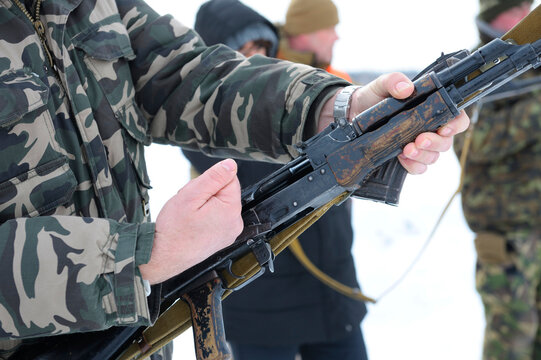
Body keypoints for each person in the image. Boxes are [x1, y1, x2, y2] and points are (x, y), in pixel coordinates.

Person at [0, 0, 468, 359]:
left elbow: (191, 76)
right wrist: (134, 255)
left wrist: (338, 111)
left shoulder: (92, 5)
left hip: (136, 342)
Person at [182, 1, 369, 359]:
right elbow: (262, 176)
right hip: (262, 309)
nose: (254, 63)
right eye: (242, 51)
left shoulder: (289, 104)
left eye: (262, 50)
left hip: (332, 291)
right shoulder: (201, 126)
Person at [453, 1, 541, 359]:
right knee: (511, 344)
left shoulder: (534, 61)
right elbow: (473, 142)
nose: (529, 15)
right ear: (497, 15)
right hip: (506, 237)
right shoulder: (475, 69)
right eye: (520, 8)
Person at [277, 0, 353, 82]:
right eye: (330, 29)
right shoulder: (268, 75)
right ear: (305, 30)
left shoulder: (339, 79)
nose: (336, 37)